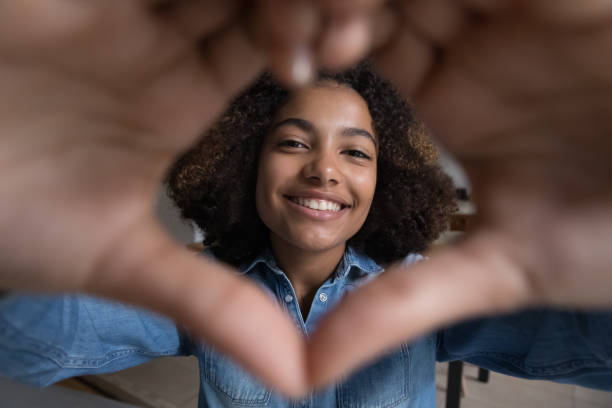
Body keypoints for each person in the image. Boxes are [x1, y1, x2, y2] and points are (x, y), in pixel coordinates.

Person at [1, 0, 612, 394]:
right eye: (294, 143)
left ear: (386, 181)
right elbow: (31, 345)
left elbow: (593, 352)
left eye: (355, 152)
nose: (324, 171)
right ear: (248, 164)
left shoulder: (424, 293)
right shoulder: (201, 288)